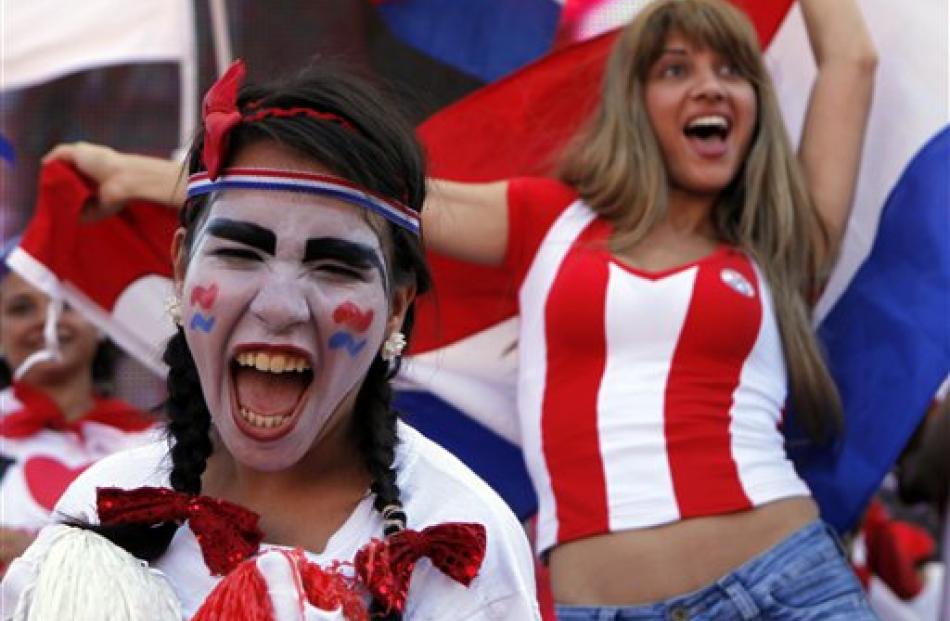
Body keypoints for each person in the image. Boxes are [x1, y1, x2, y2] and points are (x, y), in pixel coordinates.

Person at [35, 1, 878, 618]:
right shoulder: (549, 220)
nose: (710, 86)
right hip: (601, 606)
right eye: (676, 67)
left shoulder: (778, 242)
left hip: (786, 581)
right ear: (633, 100)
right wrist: (143, 173)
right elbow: (335, 192)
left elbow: (853, 61)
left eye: (733, 68)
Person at [2, 62, 539, 620]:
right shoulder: (102, 506)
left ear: (396, 308)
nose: (280, 307)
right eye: (240, 253)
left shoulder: (462, 540)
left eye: (334, 266)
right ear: (182, 269)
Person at [0, 236, 157, 572]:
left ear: (101, 322)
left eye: (65, 304)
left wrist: (35, 554)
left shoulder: (155, 446)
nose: (48, 321)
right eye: (21, 308)